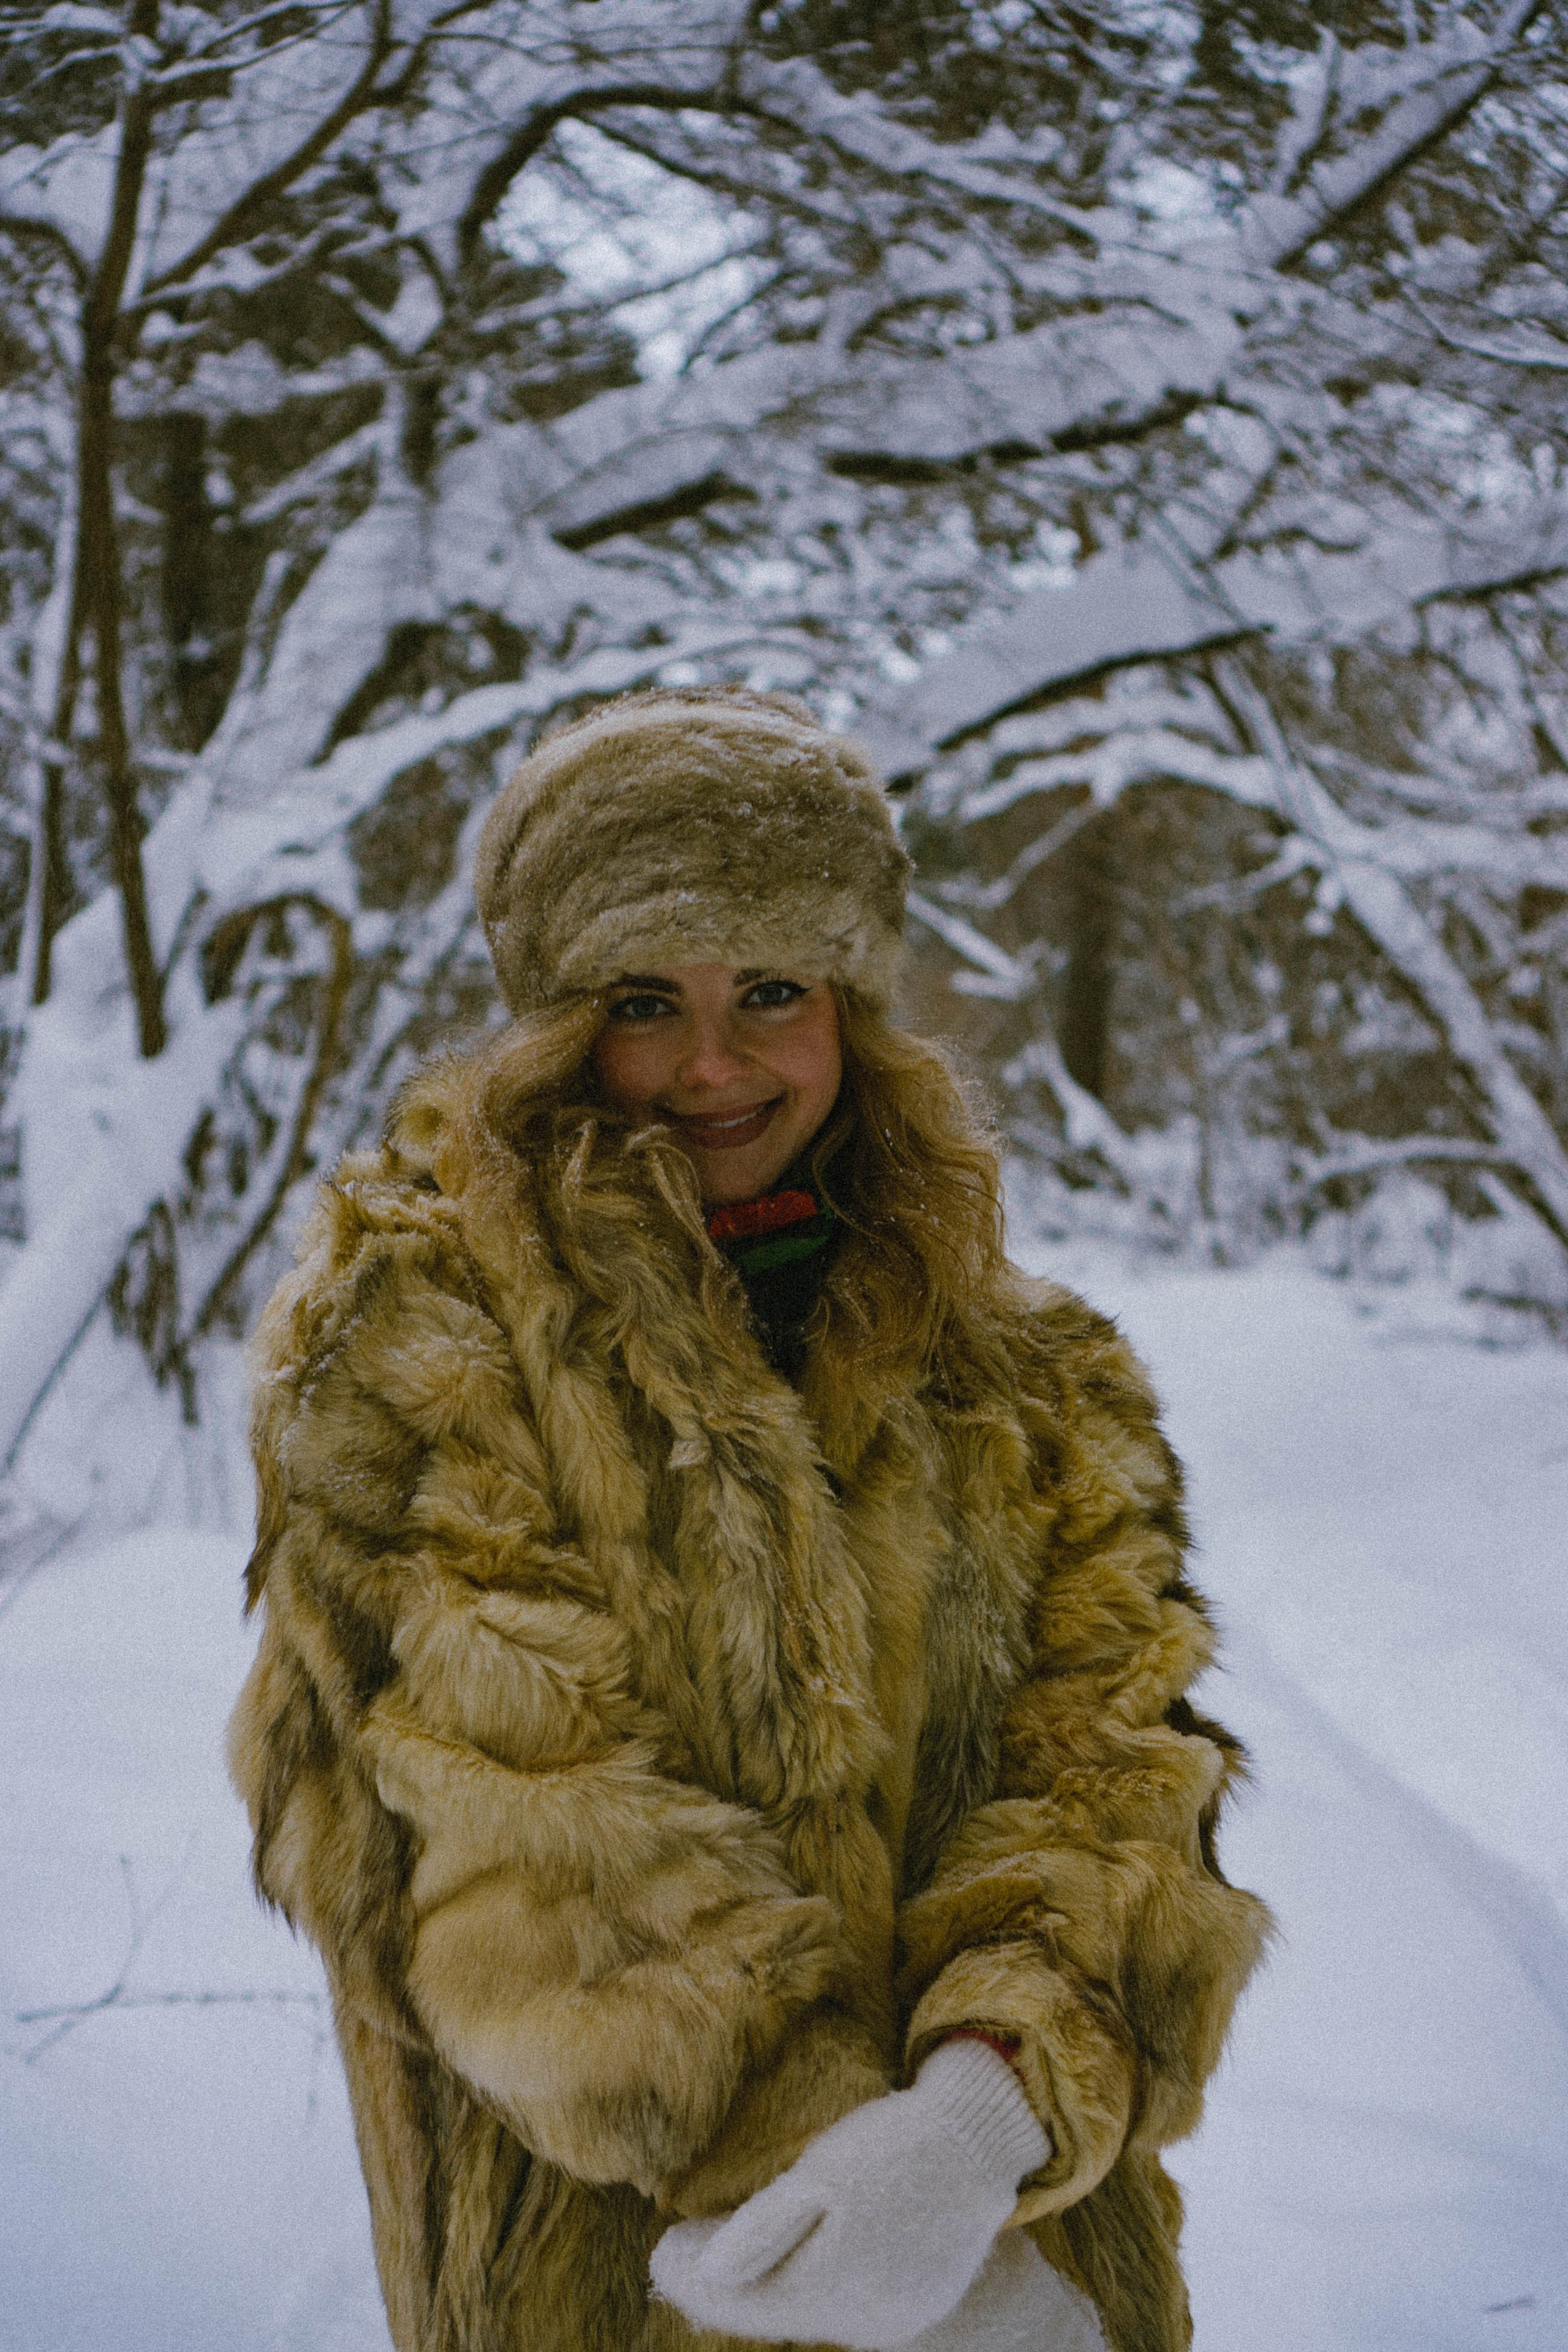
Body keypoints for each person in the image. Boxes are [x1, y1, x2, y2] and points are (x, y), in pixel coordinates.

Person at [228, 686, 1270, 2352]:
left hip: (1031, 2252)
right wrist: (830, 2181)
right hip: (620, 2274)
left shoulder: (1038, 1377)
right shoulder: (418, 1337)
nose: (714, 1064)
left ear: (850, 1006)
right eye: (648, 1001)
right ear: (564, 1019)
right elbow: (510, 1813)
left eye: (771, 991)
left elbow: (1115, 1777)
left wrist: (982, 2122)